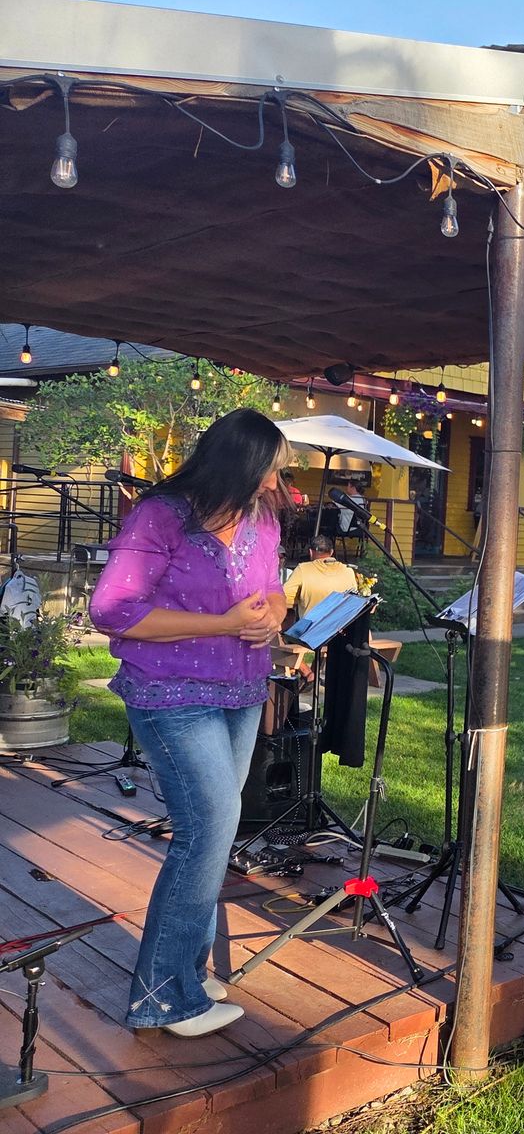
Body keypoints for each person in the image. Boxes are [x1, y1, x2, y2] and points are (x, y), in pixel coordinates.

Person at [88, 409, 292, 1037]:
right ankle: (165, 997)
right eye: (269, 470)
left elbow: (274, 587)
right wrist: (224, 623)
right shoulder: (160, 516)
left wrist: (274, 613)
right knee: (208, 828)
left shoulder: (261, 518)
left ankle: (189, 970)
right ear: (238, 465)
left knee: (215, 830)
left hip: (242, 690)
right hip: (171, 692)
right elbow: (112, 610)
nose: (275, 483)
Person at [281, 534, 359, 623]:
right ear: (331, 552)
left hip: (312, 629)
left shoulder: (303, 570)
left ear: (310, 552)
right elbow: (354, 603)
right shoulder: (348, 571)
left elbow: (284, 600)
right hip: (340, 628)